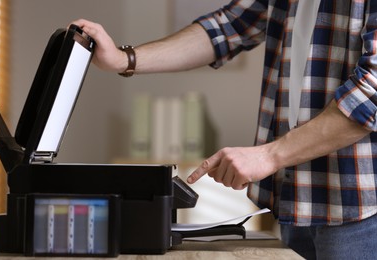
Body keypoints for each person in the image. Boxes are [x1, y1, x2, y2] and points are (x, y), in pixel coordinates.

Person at [72, 0, 377, 258]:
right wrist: (124, 59)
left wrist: (270, 155)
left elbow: (371, 94)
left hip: (362, 212)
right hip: (297, 198)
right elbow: (228, 26)